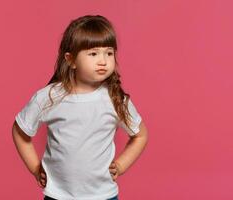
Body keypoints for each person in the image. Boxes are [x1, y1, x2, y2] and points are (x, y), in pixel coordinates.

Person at [12, 15, 148, 200]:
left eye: (109, 53)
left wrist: (122, 164)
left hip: (103, 195)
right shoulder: (49, 97)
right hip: (58, 195)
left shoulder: (115, 98)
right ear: (71, 60)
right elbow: (20, 131)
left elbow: (140, 135)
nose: (103, 60)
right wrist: (35, 168)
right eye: (93, 54)